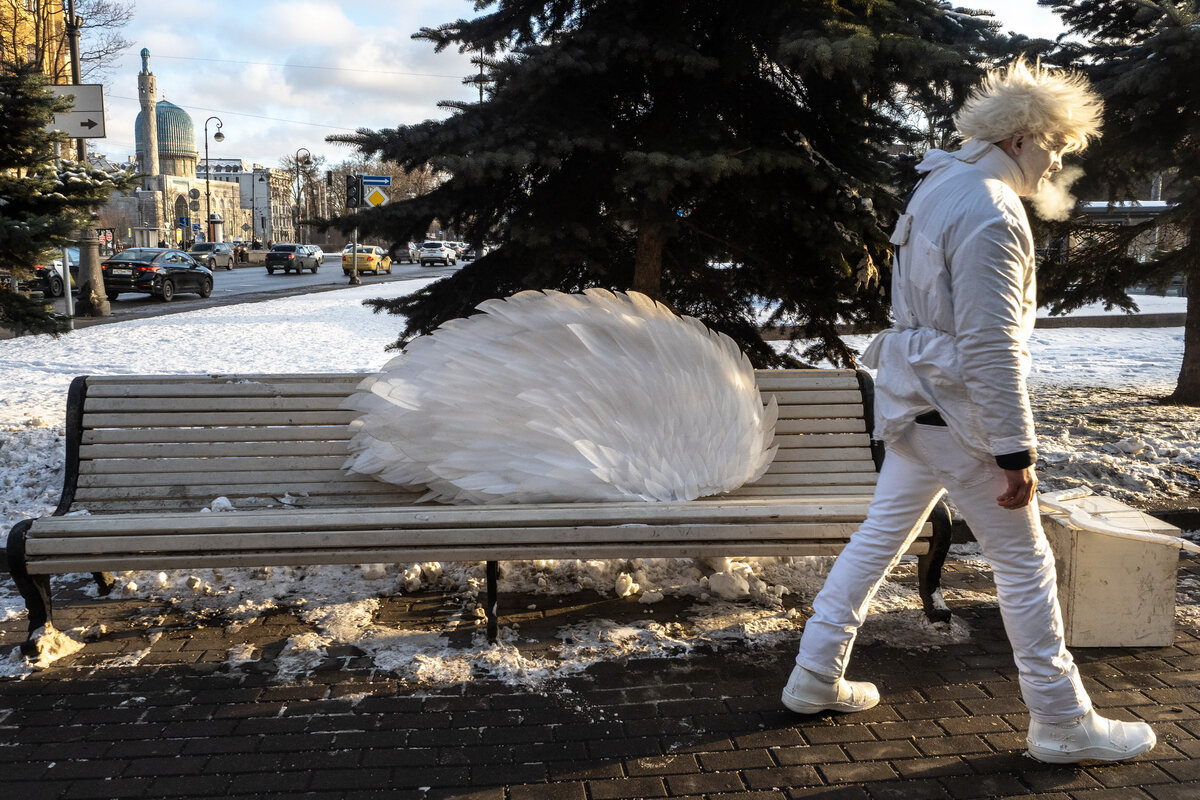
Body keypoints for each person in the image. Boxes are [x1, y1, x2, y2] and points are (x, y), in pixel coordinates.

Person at [781, 59, 1157, 764]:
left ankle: (813, 674)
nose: (1056, 163)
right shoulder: (990, 208)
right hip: (960, 419)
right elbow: (989, 344)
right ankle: (1061, 719)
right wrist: (1015, 452)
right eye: (1054, 146)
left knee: (877, 541)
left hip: (915, 411)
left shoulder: (940, 186)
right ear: (1019, 137)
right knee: (1025, 565)